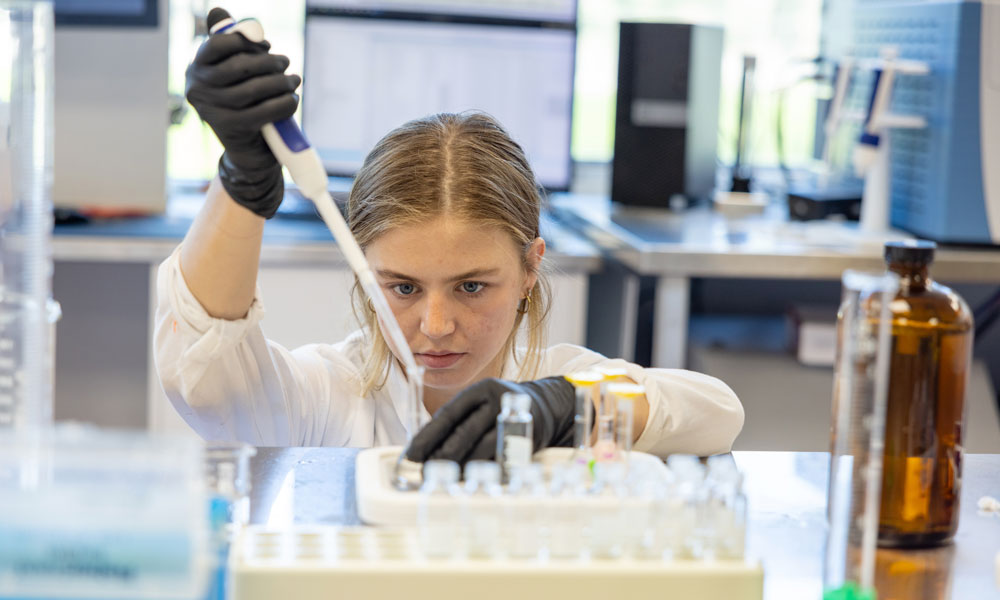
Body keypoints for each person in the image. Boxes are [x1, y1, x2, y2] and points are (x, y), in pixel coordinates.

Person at [154, 22, 744, 463]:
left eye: (470, 286)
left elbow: (717, 413)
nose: (435, 325)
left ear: (530, 270)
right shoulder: (331, 395)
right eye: (403, 287)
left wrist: (570, 410)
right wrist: (243, 181)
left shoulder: (559, 384)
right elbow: (207, 383)